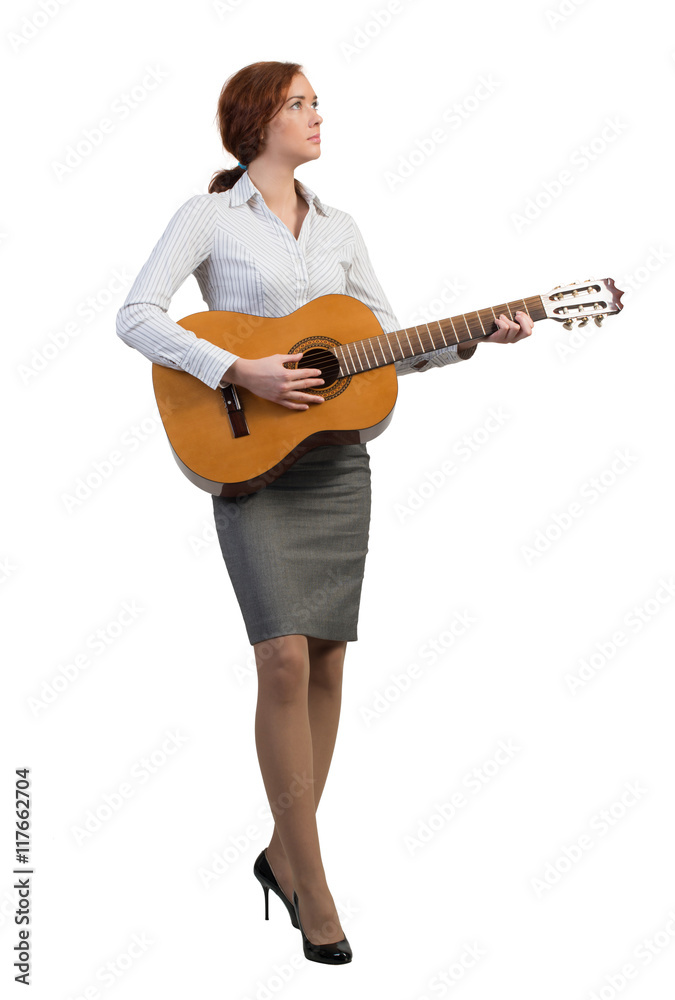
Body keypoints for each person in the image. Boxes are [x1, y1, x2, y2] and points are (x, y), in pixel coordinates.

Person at [115, 60, 533, 965]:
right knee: (280, 658)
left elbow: (379, 347)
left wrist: (470, 340)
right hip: (251, 460)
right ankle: (314, 881)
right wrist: (239, 369)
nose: (315, 113)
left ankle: (281, 855)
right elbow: (138, 315)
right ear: (258, 118)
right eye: (299, 102)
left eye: (314, 101)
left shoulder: (341, 227)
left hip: (338, 466)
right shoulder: (209, 216)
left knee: (329, 664)